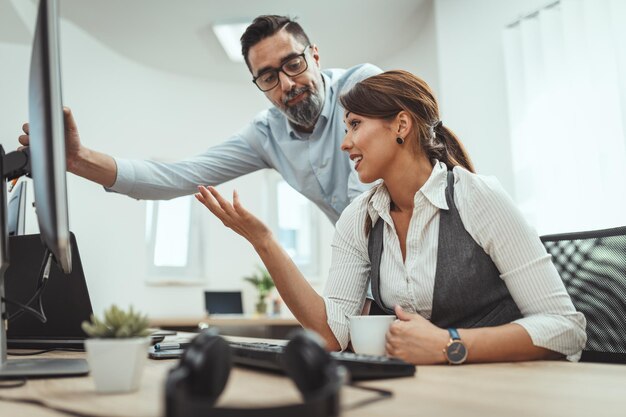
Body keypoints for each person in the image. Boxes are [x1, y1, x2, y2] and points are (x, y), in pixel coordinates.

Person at [194, 70, 587, 365]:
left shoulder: (476, 197)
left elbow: (566, 327)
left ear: (400, 124)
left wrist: (449, 344)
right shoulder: (360, 218)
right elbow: (334, 335)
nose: (345, 142)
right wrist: (263, 241)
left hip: (506, 390)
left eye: (355, 125)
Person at [17, 15, 381, 225]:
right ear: (259, 84)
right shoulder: (266, 134)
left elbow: (364, 200)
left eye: (293, 63)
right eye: (269, 76)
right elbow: (179, 177)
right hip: (363, 276)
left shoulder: (362, 85)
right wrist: (78, 160)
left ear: (315, 55)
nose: (286, 83)